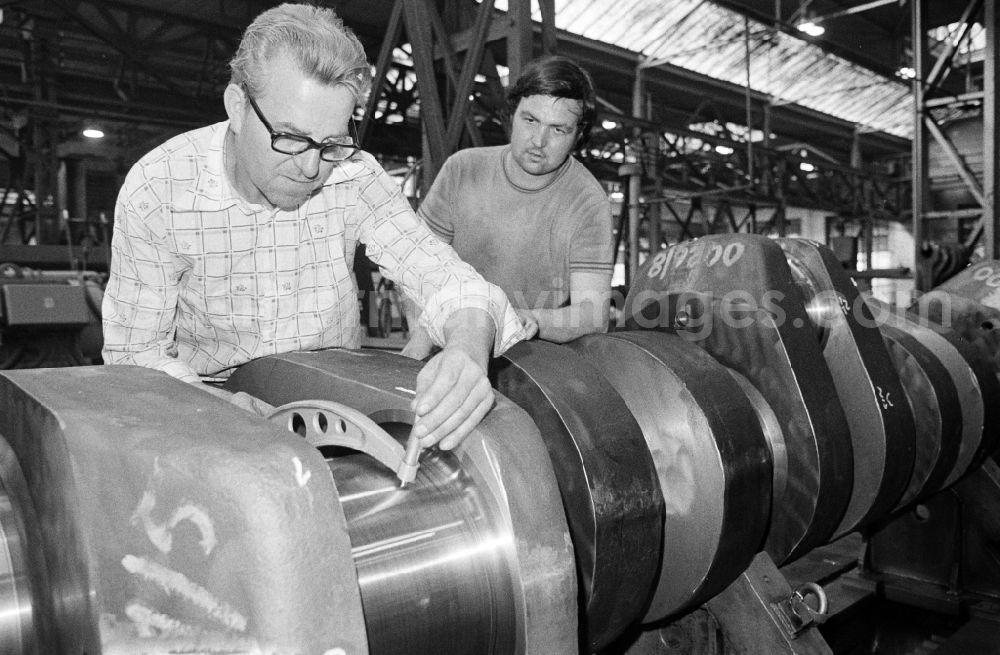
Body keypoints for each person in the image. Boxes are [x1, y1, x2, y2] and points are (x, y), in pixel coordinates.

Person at [101, 3, 527, 450]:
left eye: (330, 143)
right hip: (202, 403)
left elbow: (444, 276)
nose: (310, 168)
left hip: (332, 393)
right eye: (289, 138)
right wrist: (227, 410)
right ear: (238, 107)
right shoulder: (161, 187)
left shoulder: (353, 174)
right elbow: (136, 353)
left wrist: (467, 347)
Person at [402, 55, 613, 359]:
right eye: (530, 120)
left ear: (578, 136)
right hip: (441, 337)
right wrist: (421, 337)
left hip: (523, 356)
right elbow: (415, 264)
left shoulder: (587, 202)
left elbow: (593, 315)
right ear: (511, 115)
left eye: (558, 130)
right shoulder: (462, 170)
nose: (538, 141)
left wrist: (532, 319)